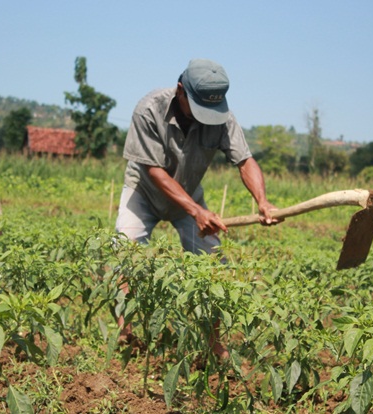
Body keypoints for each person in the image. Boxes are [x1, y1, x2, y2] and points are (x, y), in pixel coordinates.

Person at [115, 58, 282, 357]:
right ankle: (126, 335)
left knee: (214, 268)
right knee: (126, 254)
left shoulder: (222, 117)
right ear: (181, 90)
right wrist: (196, 211)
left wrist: (262, 201)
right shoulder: (149, 109)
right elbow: (154, 171)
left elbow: (245, 160)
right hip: (143, 192)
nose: (209, 117)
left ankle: (214, 343)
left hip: (189, 196)